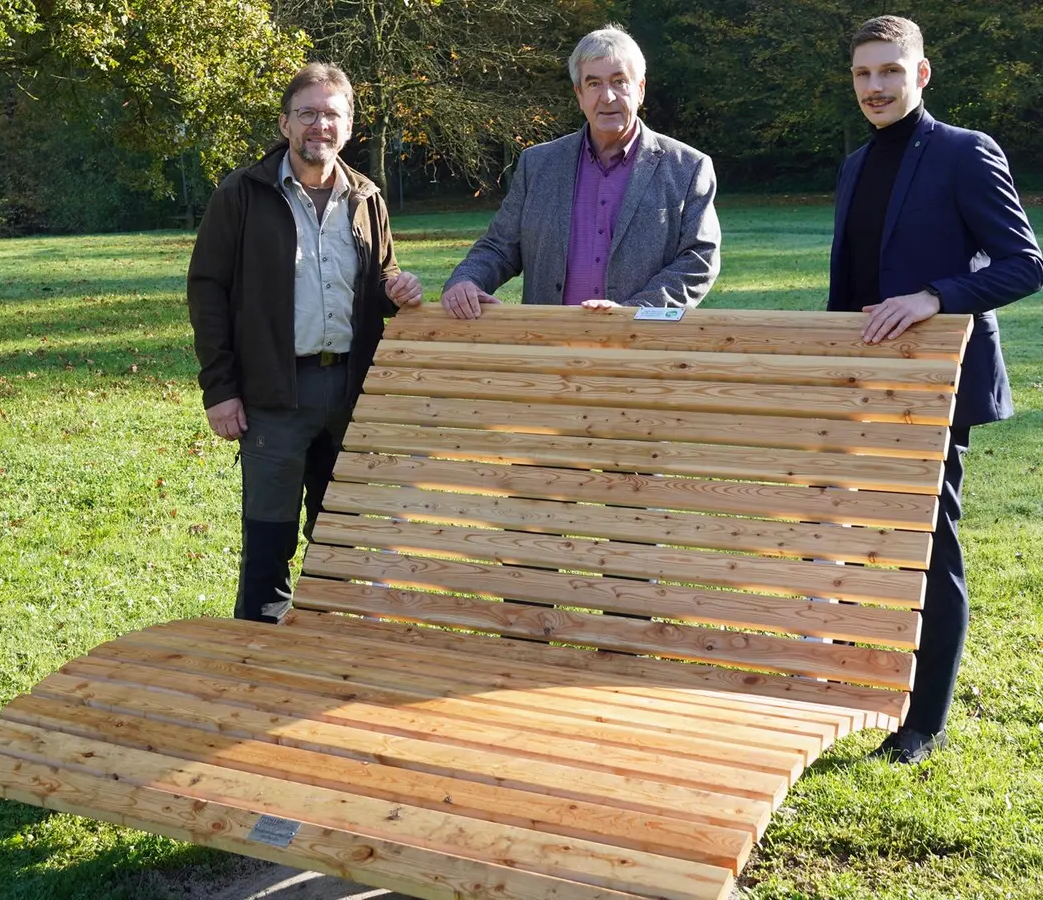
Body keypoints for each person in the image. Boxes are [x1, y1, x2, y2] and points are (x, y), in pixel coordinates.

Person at [829, 16, 1043, 763]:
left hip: (939, 380)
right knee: (862, 540)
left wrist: (934, 297)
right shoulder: (855, 165)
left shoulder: (965, 153)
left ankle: (924, 720)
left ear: (921, 75)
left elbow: (1025, 266)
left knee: (930, 544)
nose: (876, 87)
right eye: (863, 75)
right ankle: (864, 687)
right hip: (865, 383)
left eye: (890, 71)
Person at [187, 62, 423, 623]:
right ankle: (259, 650)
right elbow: (207, 290)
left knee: (339, 531)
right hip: (274, 393)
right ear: (286, 123)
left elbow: (379, 279)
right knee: (269, 538)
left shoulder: (367, 198)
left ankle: (330, 640)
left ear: (348, 126)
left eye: (332, 114)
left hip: (351, 392)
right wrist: (220, 389)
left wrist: (400, 288)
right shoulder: (243, 194)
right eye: (308, 113)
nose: (321, 124)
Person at [440, 25, 720, 318]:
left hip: (642, 350)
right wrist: (465, 280)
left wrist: (633, 312)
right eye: (594, 84)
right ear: (579, 94)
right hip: (549, 348)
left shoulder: (687, 167)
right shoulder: (537, 165)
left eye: (619, 81)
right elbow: (500, 247)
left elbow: (698, 260)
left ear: (640, 90)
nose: (607, 96)